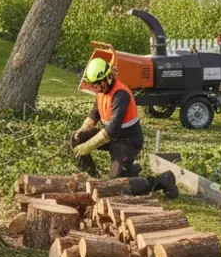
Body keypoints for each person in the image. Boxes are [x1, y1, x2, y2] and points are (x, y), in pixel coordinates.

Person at [71, 57, 178, 197]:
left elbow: (111, 130)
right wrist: (80, 135)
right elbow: (92, 117)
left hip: (127, 142)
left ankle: (161, 180)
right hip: (111, 137)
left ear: (107, 79)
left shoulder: (120, 94)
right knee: (76, 138)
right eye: (93, 86)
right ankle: (94, 176)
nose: (95, 89)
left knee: (116, 184)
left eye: (97, 85)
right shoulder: (101, 93)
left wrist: (87, 146)